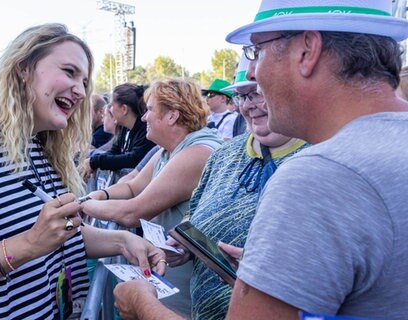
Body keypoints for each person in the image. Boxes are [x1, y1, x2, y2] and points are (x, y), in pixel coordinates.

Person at [114, 1, 408, 319]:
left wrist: (142, 303)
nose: (252, 71)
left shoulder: (319, 177)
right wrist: (270, 278)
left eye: (257, 51)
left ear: (308, 50)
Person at [0, 23, 165, 320]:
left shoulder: (41, 146)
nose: (80, 90)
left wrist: (122, 241)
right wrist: (27, 245)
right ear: (24, 68)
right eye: (69, 71)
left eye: (85, 81)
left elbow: (57, 235)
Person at [113, 55, 309, 319]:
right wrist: (186, 245)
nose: (250, 105)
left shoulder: (318, 162)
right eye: (243, 96)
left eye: (258, 93)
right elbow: (194, 214)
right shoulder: (224, 156)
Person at [83, 77, 222, 316]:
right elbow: (133, 187)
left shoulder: (197, 152)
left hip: (188, 290)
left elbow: (133, 212)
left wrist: (83, 205)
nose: (144, 117)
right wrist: (101, 194)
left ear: (172, 116)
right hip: (171, 277)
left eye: (149, 110)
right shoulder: (167, 151)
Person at [84, 83, 156, 176]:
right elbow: (114, 151)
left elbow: (133, 159)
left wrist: (95, 162)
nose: (109, 109)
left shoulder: (145, 129)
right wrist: (93, 163)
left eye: (112, 105)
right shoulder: (125, 129)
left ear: (124, 109)